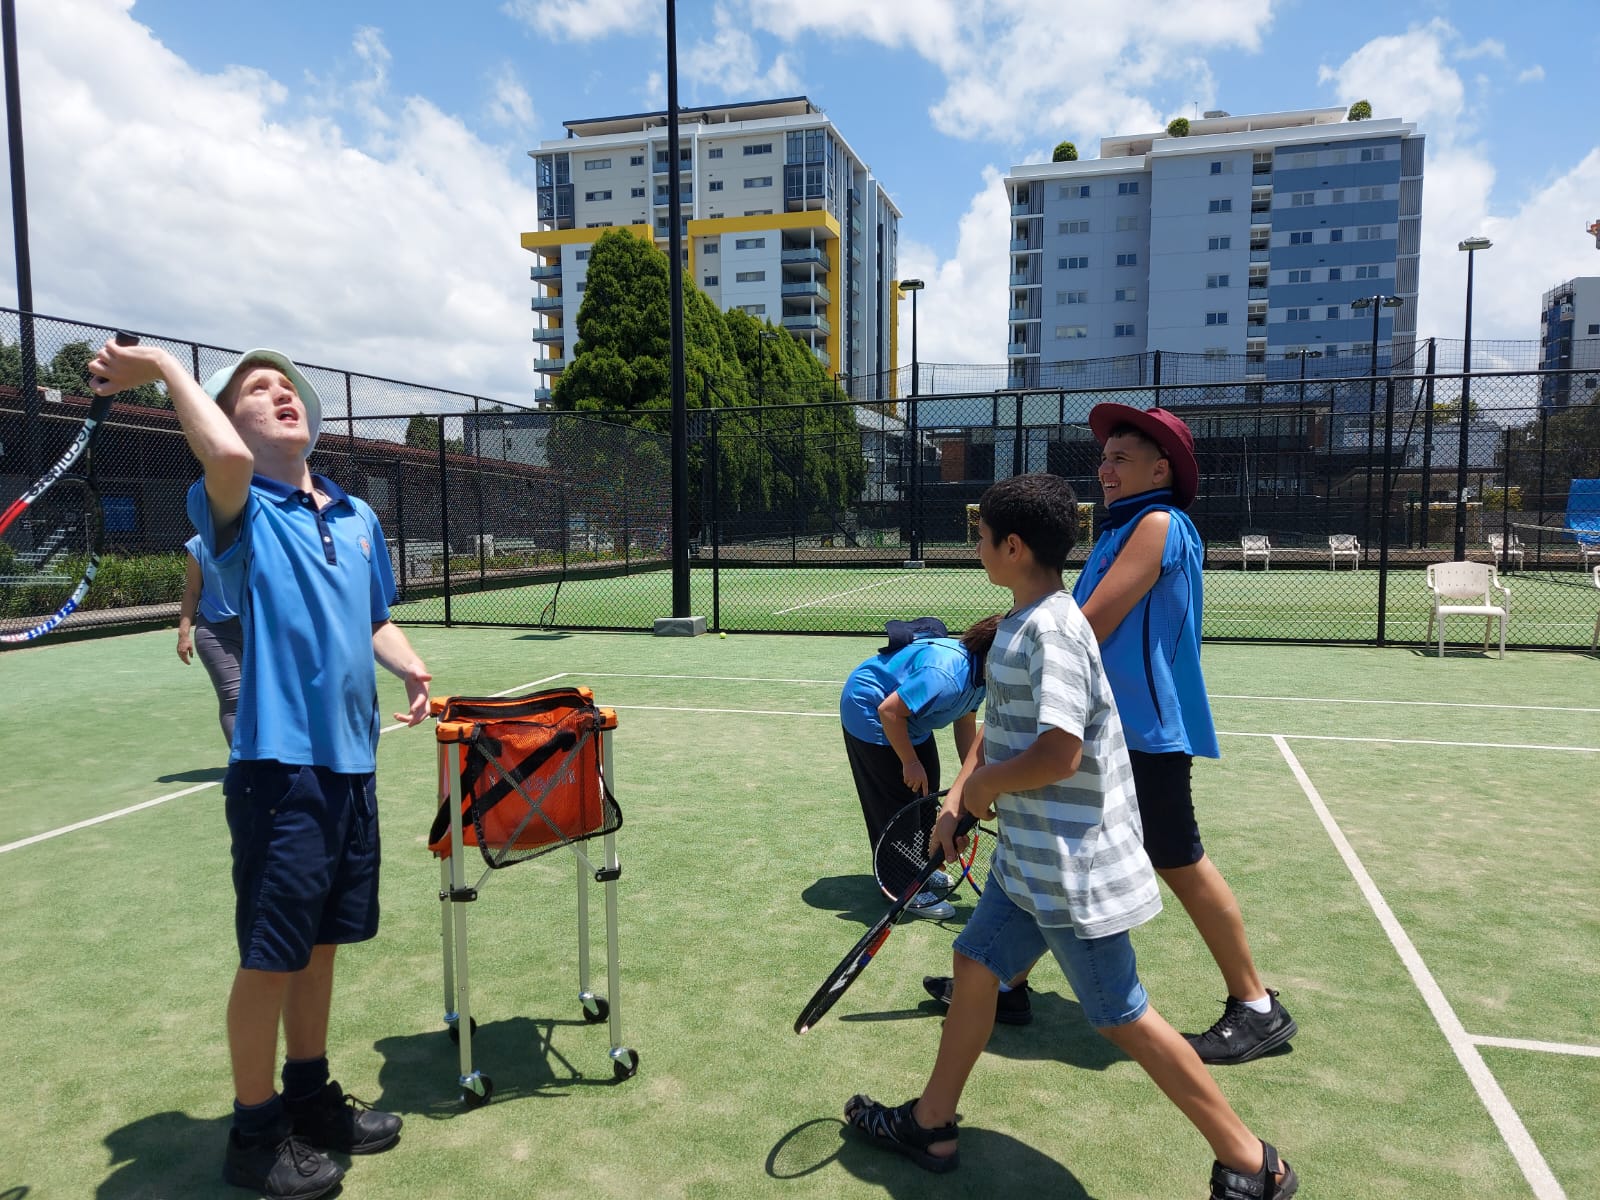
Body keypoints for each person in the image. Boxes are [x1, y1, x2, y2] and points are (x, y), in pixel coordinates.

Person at [843, 473, 1298, 1199]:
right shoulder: (1032, 621)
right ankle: (932, 1122)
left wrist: (983, 788)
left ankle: (1252, 1161)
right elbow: (1009, 736)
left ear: (1014, 547)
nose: (979, 548)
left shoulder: (1049, 633)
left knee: (1123, 1018)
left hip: (1069, 874)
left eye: (983, 538)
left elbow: (1060, 754)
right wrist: (959, 800)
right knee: (973, 964)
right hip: (1029, 863)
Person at [88, 338, 432, 1200]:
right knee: (271, 956)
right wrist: (167, 369)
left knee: (319, 949)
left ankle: (309, 1097)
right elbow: (229, 454)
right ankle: (253, 1134)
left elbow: (373, 617)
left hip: (353, 763)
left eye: (288, 389)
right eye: (256, 391)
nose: (280, 396)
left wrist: (410, 663)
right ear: (221, 420)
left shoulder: (357, 518)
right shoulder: (234, 506)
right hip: (280, 769)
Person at [923, 407, 1296, 1066]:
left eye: (1122, 458)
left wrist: (1006, 643)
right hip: (1097, 730)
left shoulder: (1156, 524)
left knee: (1177, 856)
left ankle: (1257, 1005)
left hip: (1138, 734)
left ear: (1163, 470)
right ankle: (1001, 981)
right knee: (1047, 849)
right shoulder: (1119, 531)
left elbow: (1085, 625)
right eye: (1105, 457)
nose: (1106, 468)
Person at [839, 615, 999, 920]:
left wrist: (976, 778)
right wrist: (910, 762)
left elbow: (965, 721)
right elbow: (888, 712)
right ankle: (903, 887)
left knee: (927, 796)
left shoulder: (982, 674)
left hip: (909, 720)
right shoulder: (947, 675)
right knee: (898, 802)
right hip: (871, 712)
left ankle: (923, 867)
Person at [178, 533, 244, 743]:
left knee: (267, 700)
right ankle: (243, 766)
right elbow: (192, 591)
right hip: (216, 632)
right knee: (235, 700)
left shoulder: (257, 536)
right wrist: (183, 634)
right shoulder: (198, 544)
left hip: (258, 630)